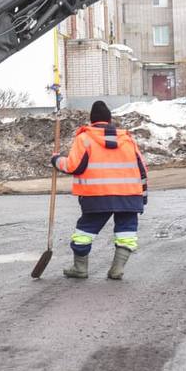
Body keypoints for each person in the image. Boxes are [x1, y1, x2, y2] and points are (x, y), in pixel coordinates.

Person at [51, 100, 148, 280]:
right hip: (129, 195)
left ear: (91, 120)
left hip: (97, 195)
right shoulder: (127, 139)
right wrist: (143, 195)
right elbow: (142, 169)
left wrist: (56, 161)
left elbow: (73, 166)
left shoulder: (85, 138)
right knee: (127, 232)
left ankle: (80, 269)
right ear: (110, 119)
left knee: (85, 231)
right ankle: (117, 269)